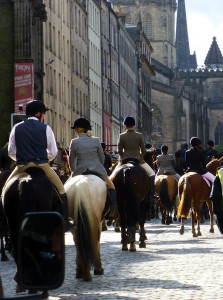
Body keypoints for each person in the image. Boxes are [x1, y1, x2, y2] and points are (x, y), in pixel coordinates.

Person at [4, 100, 74, 232]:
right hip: (42, 165)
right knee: (61, 190)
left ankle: (3, 222)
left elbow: (11, 152)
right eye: (43, 114)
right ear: (38, 114)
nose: (44, 117)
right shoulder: (46, 128)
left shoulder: (16, 128)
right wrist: (43, 158)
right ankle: (65, 221)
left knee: (4, 191)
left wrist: (21, 159)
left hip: (21, 166)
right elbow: (53, 152)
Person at [68, 117, 116, 214]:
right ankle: (112, 210)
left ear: (78, 129)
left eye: (75, 129)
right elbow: (101, 158)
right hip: (98, 171)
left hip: (80, 171)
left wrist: (73, 172)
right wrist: (98, 166)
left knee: (66, 189)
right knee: (112, 187)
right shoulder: (96, 140)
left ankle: (66, 214)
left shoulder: (74, 142)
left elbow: (71, 160)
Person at [110, 115, 158, 200]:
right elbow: (143, 150)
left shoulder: (122, 136)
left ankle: (111, 196)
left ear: (125, 125)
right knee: (152, 174)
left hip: (124, 160)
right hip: (137, 160)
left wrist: (122, 157)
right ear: (133, 125)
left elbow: (119, 150)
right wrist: (140, 157)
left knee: (112, 176)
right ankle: (152, 194)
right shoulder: (139, 135)